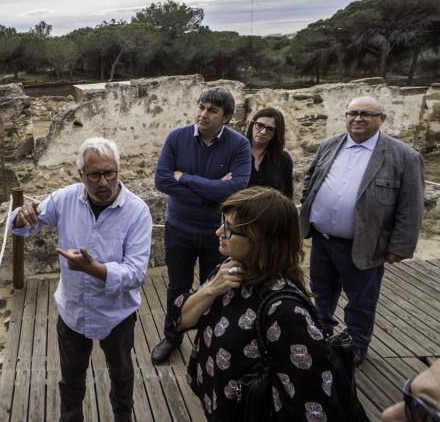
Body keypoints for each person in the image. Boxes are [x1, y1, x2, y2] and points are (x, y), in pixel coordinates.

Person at [171, 187, 343, 421]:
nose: (219, 231)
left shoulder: (286, 311)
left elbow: (312, 403)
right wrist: (211, 289)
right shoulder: (228, 269)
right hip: (220, 405)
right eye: (223, 222)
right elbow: (182, 321)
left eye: (230, 229)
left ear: (260, 239)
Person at [10, 137, 152, 422]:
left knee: (122, 374)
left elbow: (136, 273)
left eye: (109, 172)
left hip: (117, 315)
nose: (103, 182)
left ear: (118, 170)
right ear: (81, 175)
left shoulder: (137, 211)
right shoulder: (66, 198)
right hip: (73, 310)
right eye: (94, 175)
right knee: (71, 379)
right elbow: (22, 224)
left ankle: (123, 416)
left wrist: (93, 268)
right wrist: (21, 216)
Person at [299, 96, 424, 366]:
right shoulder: (330, 144)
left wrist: (400, 246)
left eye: (367, 113)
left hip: (364, 243)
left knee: (361, 300)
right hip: (322, 239)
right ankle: (320, 333)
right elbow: (311, 179)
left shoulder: (403, 156)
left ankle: (356, 344)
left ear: (382, 119)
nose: (358, 118)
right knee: (320, 291)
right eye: (353, 112)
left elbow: (411, 206)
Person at [152, 87, 251, 363]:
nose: (203, 114)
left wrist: (185, 178)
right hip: (178, 229)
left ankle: (208, 340)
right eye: (201, 107)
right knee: (177, 286)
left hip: (215, 232)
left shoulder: (239, 145)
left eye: (212, 110)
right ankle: (172, 337)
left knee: (215, 286)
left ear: (227, 117)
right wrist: (214, 191)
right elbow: (161, 181)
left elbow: (238, 188)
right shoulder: (177, 137)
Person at [246, 107, 293, 197]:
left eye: (270, 129)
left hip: (272, 210)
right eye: (260, 125)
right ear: (252, 124)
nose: (263, 132)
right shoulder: (236, 152)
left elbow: (287, 196)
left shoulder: (283, 159)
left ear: (276, 133)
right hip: (240, 210)